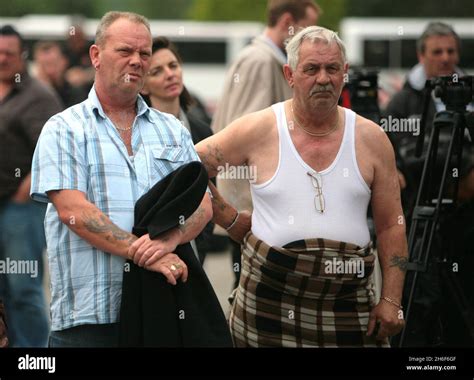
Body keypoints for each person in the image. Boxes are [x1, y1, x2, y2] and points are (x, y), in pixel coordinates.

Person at [196, 26, 407, 347]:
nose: (323, 78)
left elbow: (392, 224)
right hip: (269, 300)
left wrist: (392, 300)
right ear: (290, 74)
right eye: (311, 69)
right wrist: (228, 217)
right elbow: (189, 166)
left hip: (349, 303)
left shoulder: (372, 139)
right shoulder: (260, 128)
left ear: (344, 73)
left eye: (332, 68)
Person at [30, 11, 212, 348]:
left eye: (144, 54)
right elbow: (74, 211)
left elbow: (202, 204)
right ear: (96, 56)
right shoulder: (63, 128)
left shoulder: (172, 129)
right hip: (89, 320)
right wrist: (145, 253)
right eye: (125, 51)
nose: (137, 61)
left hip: (160, 312)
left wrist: (170, 241)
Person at [211, 0, 321, 287]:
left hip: (254, 209)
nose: (310, 40)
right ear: (288, 22)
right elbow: (243, 137)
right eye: (307, 30)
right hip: (251, 211)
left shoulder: (265, 58)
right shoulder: (260, 61)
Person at [384, 22, 474, 347]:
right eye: (437, 51)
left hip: (465, 225)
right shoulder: (402, 103)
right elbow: (390, 156)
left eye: (451, 51)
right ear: (422, 56)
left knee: (461, 307)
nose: (446, 58)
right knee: (419, 305)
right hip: (418, 222)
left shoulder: (468, 94)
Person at [0, 25, 63, 347]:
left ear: (21, 55)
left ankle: (36, 355)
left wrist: (27, 186)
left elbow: (52, 148)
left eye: (9, 52)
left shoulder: (38, 95)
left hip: (19, 209)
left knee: (23, 287)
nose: (3, 58)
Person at [140, 37, 215, 262]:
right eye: (157, 71)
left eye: (173, 66)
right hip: (149, 246)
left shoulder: (201, 130)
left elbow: (212, 194)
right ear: (143, 86)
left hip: (193, 248)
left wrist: (198, 246)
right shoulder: (136, 131)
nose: (170, 74)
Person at [33, 41, 88, 108]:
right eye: (44, 66)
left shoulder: (75, 93)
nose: (50, 71)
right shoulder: (30, 96)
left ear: (64, 62)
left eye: (54, 64)